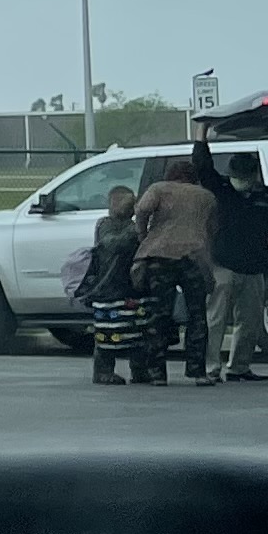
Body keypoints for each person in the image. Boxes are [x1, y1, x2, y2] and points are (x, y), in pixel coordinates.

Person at [195, 145, 268, 383]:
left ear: (255, 175)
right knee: (215, 320)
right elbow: (202, 165)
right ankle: (210, 368)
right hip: (223, 265)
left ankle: (239, 367)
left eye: (244, 177)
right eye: (236, 176)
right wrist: (201, 136)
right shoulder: (222, 190)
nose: (240, 181)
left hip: (254, 267)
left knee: (250, 321)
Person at [130, 146, 219, 384]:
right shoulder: (206, 196)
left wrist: (143, 235)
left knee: (159, 314)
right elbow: (212, 229)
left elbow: (141, 210)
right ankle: (197, 371)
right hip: (194, 257)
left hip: (160, 255)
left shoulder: (159, 188)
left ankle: (157, 372)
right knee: (197, 315)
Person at [77, 182, 156, 385]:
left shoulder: (134, 226)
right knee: (107, 333)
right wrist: (136, 232)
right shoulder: (105, 225)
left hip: (132, 288)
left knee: (137, 330)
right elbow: (112, 243)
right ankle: (103, 371)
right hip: (109, 287)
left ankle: (139, 369)